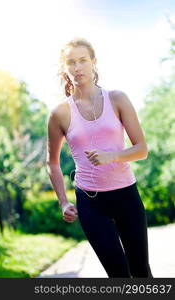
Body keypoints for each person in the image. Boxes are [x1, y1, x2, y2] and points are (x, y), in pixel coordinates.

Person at [46, 37, 153, 278]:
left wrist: (111, 156)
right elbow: (51, 162)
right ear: (65, 68)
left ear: (94, 62)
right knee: (118, 275)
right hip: (90, 202)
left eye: (83, 60)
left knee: (140, 272)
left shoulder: (117, 99)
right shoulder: (59, 113)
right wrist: (63, 201)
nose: (77, 67)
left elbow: (142, 149)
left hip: (126, 195)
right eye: (71, 62)